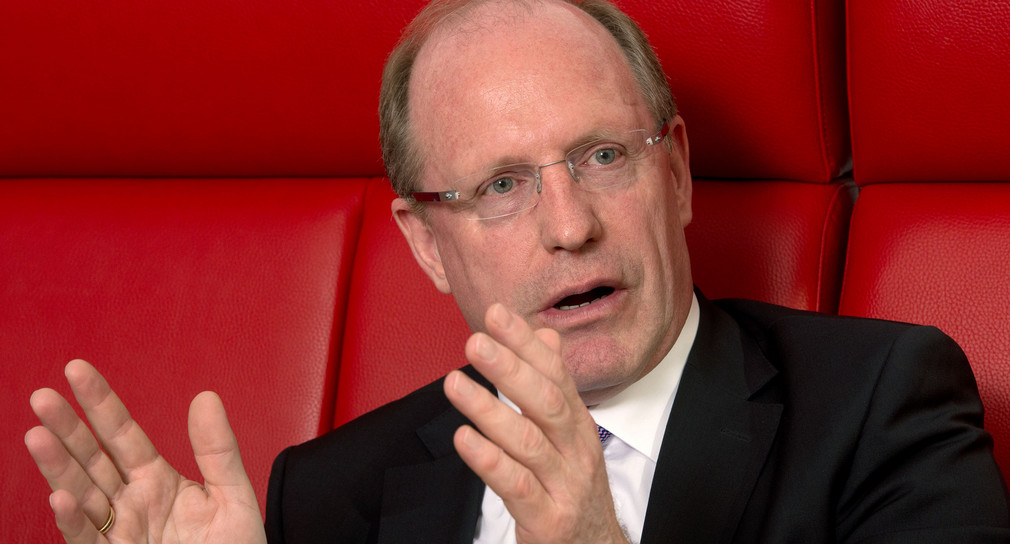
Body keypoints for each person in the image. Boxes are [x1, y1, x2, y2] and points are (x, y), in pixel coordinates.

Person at [25, 0, 1010, 542]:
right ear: (425, 242)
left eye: (603, 157)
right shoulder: (323, 499)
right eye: (501, 185)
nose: (569, 226)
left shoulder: (881, 405)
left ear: (674, 173)